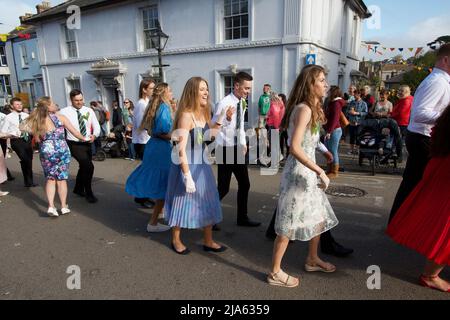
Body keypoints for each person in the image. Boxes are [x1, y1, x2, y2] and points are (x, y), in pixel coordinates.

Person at [267, 65, 338, 288]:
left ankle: (312, 258)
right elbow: (295, 148)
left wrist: (324, 152)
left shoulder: (310, 108)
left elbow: (309, 141)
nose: (326, 84)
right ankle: (275, 272)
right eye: (321, 80)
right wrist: (319, 171)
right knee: (288, 223)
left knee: (316, 216)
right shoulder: (305, 109)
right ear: (310, 84)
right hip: (299, 172)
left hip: (307, 170)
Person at [387, 104, 450, 293]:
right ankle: (430, 275)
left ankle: (431, 273)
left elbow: (437, 131)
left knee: (440, 221)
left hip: (442, 165)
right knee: (445, 227)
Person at [164, 77, 229, 254]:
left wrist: (222, 118)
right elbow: (180, 149)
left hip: (202, 163)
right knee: (182, 200)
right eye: (201, 89)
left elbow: (210, 136)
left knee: (207, 198)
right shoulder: (186, 115)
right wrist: (187, 176)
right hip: (186, 164)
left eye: (206, 89)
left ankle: (208, 240)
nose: (206, 92)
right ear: (193, 92)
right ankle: (176, 240)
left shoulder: (204, 113)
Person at [389, 43, 450, 223]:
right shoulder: (437, 82)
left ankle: (401, 219)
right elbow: (420, 113)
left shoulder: (441, 81)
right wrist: (446, 118)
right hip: (423, 137)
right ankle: (401, 221)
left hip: (423, 137)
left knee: (414, 181)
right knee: (418, 182)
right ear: (446, 59)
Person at [24, 97, 89, 216]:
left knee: (50, 179)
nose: (55, 104)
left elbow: (35, 137)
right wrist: (85, 139)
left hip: (47, 150)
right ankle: (64, 206)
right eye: (53, 103)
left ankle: (51, 206)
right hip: (62, 149)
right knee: (62, 179)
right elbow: (75, 133)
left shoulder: (38, 120)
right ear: (48, 106)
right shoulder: (61, 118)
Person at [214, 72, 261, 227]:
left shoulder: (241, 102)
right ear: (237, 86)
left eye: (249, 89)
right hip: (225, 149)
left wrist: (243, 143)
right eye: (246, 88)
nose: (248, 92)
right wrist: (226, 119)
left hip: (235, 148)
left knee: (243, 184)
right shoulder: (224, 103)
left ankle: (242, 217)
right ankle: (208, 216)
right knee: (223, 187)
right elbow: (215, 127)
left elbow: (239, 126)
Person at [126, 83, 174, 233]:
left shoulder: (155, 107)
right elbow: (162, 132)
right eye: (170, 90)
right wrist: (177, 135)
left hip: (154, 147)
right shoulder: (164, 108)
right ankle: (153, 223)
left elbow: (151, 130)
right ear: (164, 93)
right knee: (163, 184)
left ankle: (160, 213)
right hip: (161, 149)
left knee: (161, 183)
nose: (172, 93)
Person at [59, 89, 101, 204]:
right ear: (71, 100)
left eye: (81, 100)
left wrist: (94, 135)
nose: (79, 102)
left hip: (87, 142)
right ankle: (88, 192)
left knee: (83, 166)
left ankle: (78, 188)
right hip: (74, 144)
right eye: (76, 100)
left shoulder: (89, 110)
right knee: (88, 166)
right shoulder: (64, 111)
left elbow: (96, 126)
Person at [0, 97, 37, 187]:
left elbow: (32, 127)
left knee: (29, 160)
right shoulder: (8, 118)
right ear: (12, 106)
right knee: (25, 159)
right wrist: (12, 134)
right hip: (16, 141)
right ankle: (28, 181)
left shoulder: (26, 115)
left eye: (20, 104)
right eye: (17, 104)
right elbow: (3, 132)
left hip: (27, 139)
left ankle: (29, 181)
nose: (19, 106)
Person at [132, 79, 156, 208]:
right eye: (151, 88)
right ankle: (141, 196)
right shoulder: (142, 104)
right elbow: (143, 124)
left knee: (148, 170)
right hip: (143, 141)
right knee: (147, 170)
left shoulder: (148, 103)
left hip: (146, 140)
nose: (154, 90)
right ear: (144, 90)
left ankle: (142, 195)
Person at [323, 86, 346, 178]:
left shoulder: (336, 103)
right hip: (331, 129)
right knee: (328, 150)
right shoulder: (333, 102)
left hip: (334, 130)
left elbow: (335, 119)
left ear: (333, 93)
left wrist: (329, 131)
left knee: (333, 150)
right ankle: (329, 169)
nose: (327, 93)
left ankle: (334, 171)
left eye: (329, 91)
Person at [347, 89, 368, 155]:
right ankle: (351, 149)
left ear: (359, 94)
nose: (354, 95)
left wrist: (358, 113)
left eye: (355, 94)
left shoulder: (363, 103)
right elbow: (347, 110)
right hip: (351, 122)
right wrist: (349, 112)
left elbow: (366, 112)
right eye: (354, 94)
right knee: (352, 136)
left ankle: (357, 149)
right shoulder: (352, 102)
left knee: (358, 136)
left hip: (359, 122)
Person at [266, 91, 285, 159]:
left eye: (269, 98)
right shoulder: (279, 104)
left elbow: (276, 117)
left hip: (274, 127)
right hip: (276, 126)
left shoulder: (274, 106)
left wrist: (276, 128)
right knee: (275, 144)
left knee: (273, 144)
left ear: (271, 98)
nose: (268, 99)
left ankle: (274, 160)